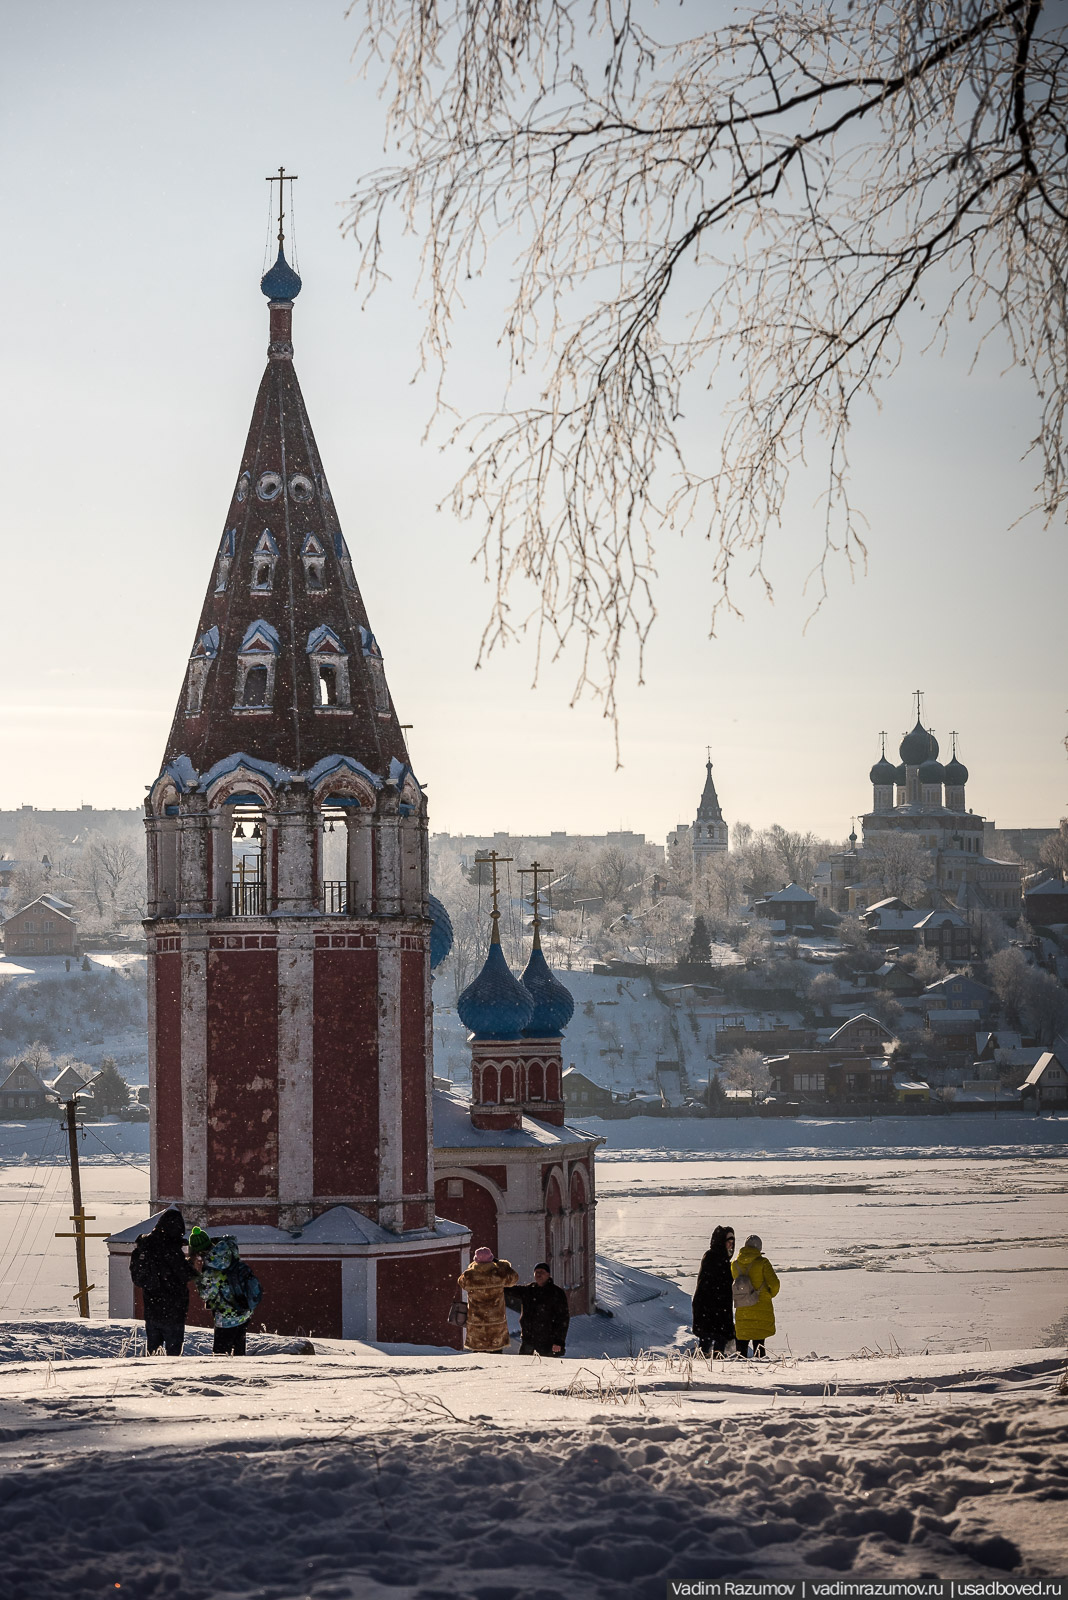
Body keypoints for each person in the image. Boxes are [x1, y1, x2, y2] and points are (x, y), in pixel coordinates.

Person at [129, 1207, 197, 1356]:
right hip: (173, 1311)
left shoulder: (145, 1245)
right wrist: (192, 1259)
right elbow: (187, 1273)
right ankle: (168, 1379)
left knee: (153, 1353)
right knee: (172, 1357)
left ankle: (153, 1378)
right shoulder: (170, 1249)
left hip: (152, 1310)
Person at [194, 1235, 261, 1356]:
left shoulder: (212, 1269)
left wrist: (199, 1279)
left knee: (221, 1357)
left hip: (225, 1317)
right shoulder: (230, 1254)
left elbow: (205, 1294)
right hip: (244, 1311)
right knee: (239, 1353)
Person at [457, 1246, 518, 1352]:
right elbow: (513, 1278)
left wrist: (472, 1267)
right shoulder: (498, 1274)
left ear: (475, 1260)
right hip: (496, 1323)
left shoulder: (470, 1276)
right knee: (496, 1354)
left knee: (479, 1357)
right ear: (491, 1259)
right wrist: (501, 1264)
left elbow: (461, 1282)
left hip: (477, 1324)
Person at [732, 1233, 780, 1358]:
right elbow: (775, 1284)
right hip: (761, 1305)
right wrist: (769, 1295)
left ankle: (740, 1370)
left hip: (742, 1308)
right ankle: (760, 1371)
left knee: (741, 1345)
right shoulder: (763, 1262)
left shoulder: (735, 1264)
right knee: (759, 1344)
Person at [691, 1225, 736, 1358]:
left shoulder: (724, 1260)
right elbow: (708, 1286)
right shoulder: (713, 1258)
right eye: (728, 1241)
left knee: (718, 1348)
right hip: (710, 1309)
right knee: (706, 1345)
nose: (730, 1245)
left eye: (732, 1243)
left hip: (719, 1310)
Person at [508, 1262, 570, 1356]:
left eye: (542, 1272)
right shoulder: (529, 1290)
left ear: (548, 1275)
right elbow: (509, 1290)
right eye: (536, 1272)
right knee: (524, 1366)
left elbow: (563, 1319)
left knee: (547, 1368)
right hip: (528, 1338)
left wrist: (559, 1341)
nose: (539, 1274)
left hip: (548, 1340)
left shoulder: (556, 1293)